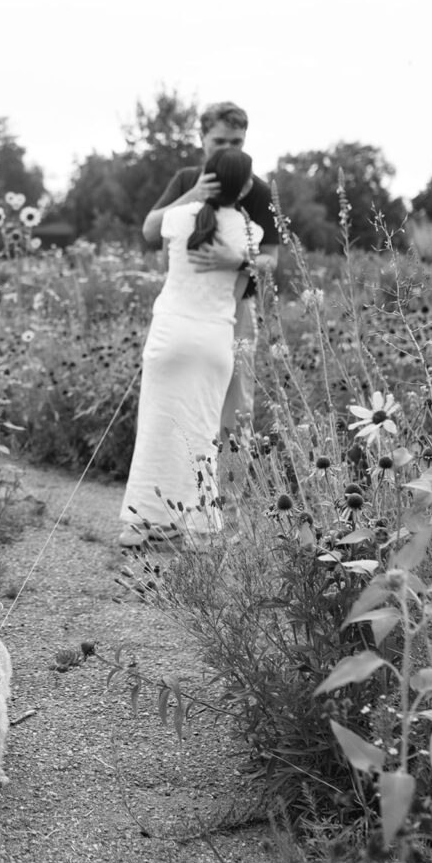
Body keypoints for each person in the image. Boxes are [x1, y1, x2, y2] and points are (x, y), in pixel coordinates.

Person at [119, 148, 274, 547]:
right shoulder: (251, 233)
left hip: (168, 332)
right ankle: (199, 530)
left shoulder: (175, 218)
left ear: (207, 177)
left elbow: (162, 255)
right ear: (244, 187)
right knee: (202, 433)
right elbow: (240, 292)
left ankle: (138, 525)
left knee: (155, 427)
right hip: (212, 338)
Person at [142, 101, 279, 443]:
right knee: (176, 395)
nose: (228, 148)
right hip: (183, 307)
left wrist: (236, 260)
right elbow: (150, 230)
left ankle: (231, 475)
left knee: (234, 400)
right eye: (220, 141)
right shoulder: (186, 180)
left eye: (236, 142)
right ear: (202, 139)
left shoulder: (258, 190)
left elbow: (271, 260)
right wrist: (194, 195)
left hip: (236, 310)